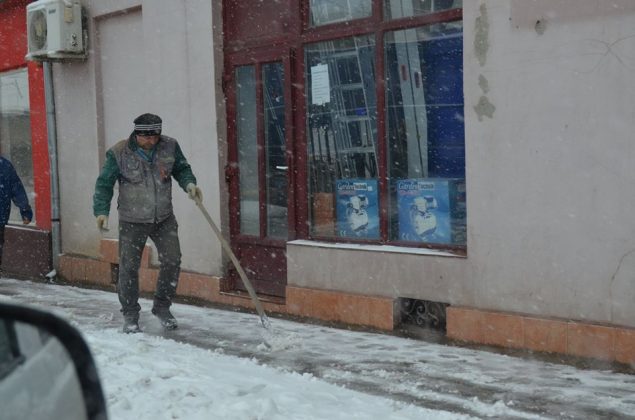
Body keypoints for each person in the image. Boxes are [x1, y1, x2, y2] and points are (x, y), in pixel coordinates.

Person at [93, 113, 202, 333]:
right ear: (137, 134)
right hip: (132, 220)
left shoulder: (170, 146)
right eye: (147, 137)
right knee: (129, 267)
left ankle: (162, 307)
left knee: (172, 260)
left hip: (164, 218)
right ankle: (130, 315)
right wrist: (101, 211)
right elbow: (104, 184)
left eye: (155, 136)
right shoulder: (119, 152)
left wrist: (190, 184)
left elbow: (181, 168)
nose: (152, 141)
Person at [0, 155, 33, 271]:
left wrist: (25, 210)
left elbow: (17, 189)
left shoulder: (4, 166)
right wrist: (25, 210)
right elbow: (17, 190)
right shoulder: (4, 165)